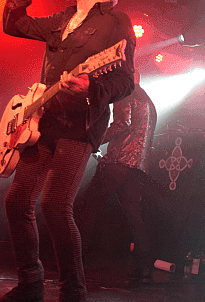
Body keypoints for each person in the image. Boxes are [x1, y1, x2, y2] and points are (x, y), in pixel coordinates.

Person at [0, 0, 136, 302]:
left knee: (55, 206)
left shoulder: (116, 23)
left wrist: (92, 86)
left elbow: (125, 81)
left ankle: (73, 292)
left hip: (79, 125)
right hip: (42, 120)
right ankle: (30, 283)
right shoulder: (64, 18)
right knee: (17, 202)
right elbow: (14, 24)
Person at [75, 70, 157, 281]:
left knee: (87, 207)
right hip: (137, 168)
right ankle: (144, 267)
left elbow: (122, 124)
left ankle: (74, 261)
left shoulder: (126, 93)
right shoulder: (149, 102)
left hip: (117, 163)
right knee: (134, 215)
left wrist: (94, 140)